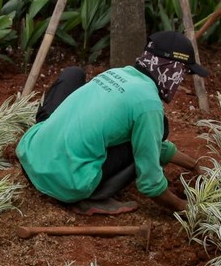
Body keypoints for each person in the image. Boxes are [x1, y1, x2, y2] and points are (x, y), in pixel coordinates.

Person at [16, 31, 207, 216]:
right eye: (184, 72)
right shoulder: (148, 103)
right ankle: (93, 196)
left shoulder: (117, 74)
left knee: (140, 133)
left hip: (31, 160)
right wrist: (185, 207)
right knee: (157, 130)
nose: (182, 79)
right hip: (64, 184)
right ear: (170, 68)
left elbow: (151, 145)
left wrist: (193, 165)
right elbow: (150, 183)